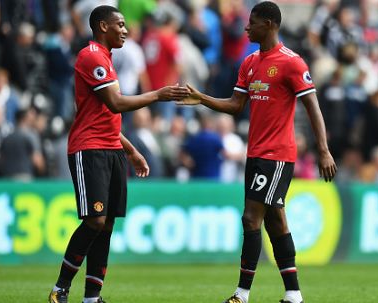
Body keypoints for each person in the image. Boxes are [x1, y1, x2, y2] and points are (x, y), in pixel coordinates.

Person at [178, 2, 337, 303]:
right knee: (275, 221)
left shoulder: (292, 62)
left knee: (251, 219)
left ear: (270, 24)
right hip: (256, 154)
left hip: (277, 155)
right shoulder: (249, 62)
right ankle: (294, 295)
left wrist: (324, 150)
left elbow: (312, 106)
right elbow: (235, 106)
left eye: (252, 23)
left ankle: (242, 295)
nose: (246, 27)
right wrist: (202, 99)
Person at [48, 6, 189, 303]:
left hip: (112, 148)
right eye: (120, 24)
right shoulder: (91, 57)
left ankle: (92, 297)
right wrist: (158, 94)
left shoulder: (107, 60)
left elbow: (105, 117)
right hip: (89, 149)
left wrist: (133, 150)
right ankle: (60, 288)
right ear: (103, 26)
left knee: (107, 224)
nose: (125, 30)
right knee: (95, 221)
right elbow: (115, 103)